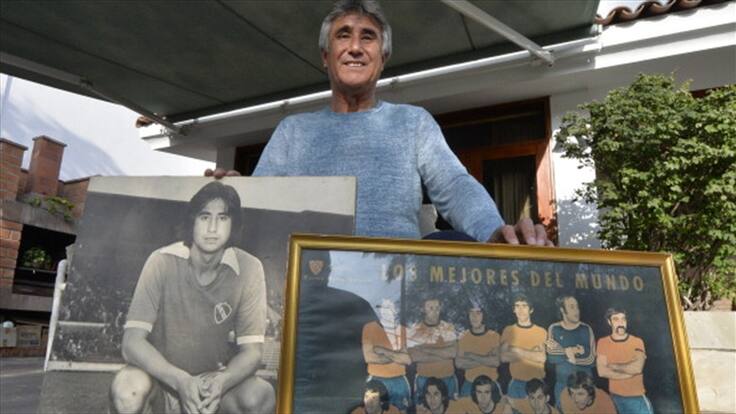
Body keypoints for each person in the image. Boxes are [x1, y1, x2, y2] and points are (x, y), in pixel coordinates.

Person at [207, 0, 552, 247]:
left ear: (382, 58)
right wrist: (238, 193)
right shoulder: (293, 131)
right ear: (326, 57)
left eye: (368, 37)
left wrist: (493, 231)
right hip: (307, 292)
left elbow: (454, 185)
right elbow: (261, 208)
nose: (355, 47)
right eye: (343, 35)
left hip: (396, 289)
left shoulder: (413, 123)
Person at [109, 182, 274, 414]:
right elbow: (131, 343)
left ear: (233, 224)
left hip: (210, 385)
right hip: (161, 379)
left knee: (260, 395)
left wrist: (221, 382)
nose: (213, 228)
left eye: (223, 218)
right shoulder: (161, 261)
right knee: (128, 390)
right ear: (192, 222)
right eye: (204, 217)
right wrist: (180, 380)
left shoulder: (249, 268)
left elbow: (253, 352)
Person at [294, 249, 379, 413]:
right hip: (344, 399)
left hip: (302, 399)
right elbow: (382, 351)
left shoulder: (289, 305)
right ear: (329, 270)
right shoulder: (357, 303)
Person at [596, 307, 652, 414]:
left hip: (636, 399)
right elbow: (602, 372)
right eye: (616, 319)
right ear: (609, 322)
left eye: (623, 319)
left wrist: (613, 366)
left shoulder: (637, 341)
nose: (621, 323)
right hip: (614, 399)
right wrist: (629, 373)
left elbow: (637, 368)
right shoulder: (603, 342)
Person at [361, 299, 412, 413]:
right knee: (374, 411)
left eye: (388, 308)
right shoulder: (369, 328)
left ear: (395, 311)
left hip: (399, 380)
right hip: (376, 380)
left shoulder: (402, 330)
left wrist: (382, 350)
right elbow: (369, 357)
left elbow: (407, 360)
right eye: (382, 308)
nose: (384, 311)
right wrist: (397, 356)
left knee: (401, 411)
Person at [546, 296, 595, 405]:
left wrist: (571, 359)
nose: (576, 311)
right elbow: (551, 356)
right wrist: (571, 351)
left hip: (585, 388)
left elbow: (591, 359)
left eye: (577, 307)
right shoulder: (554, 328)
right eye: (572, 307)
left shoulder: (586, 329)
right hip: (563, 387)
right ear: (562, 310)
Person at [499, 294, 546, 410]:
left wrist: (515, 350)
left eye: (524, 306)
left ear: (531, 309)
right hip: (516, 385)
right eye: (517, 306)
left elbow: (541, 358)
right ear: (514, 310)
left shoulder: (541, 331)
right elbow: (503, 357)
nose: (520, 310)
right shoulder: (509, 330)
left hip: (536, 385)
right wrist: (531, 353)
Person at [408, 298, 459, 404]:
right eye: (430, 308)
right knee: (424, 409)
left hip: (447, 378)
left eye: (437, 308)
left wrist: (425, 350)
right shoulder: (416, 330)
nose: (435, 311)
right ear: (423, 309)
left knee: (451, 409)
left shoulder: (448, 327)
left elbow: (453, 352)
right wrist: (443, 352)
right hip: (424, 379)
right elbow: (414, 356)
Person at [455, 305, 501, 397]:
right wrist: (486, 358)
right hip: (469, 385)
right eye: (471, 313)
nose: (474, 317)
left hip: (490, 384)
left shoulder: (494, 336)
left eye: (478, 313)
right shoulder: (463, 337)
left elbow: (496, 362)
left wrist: (471, 355)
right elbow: (459, 364)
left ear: (484, 315)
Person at [447, 375, 511, 414]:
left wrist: (508, 406)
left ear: (492, 392)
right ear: (475, 393)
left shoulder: (502, 408)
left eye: (487, 392)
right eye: (479, 392)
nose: (483, 397)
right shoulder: (468, 402)